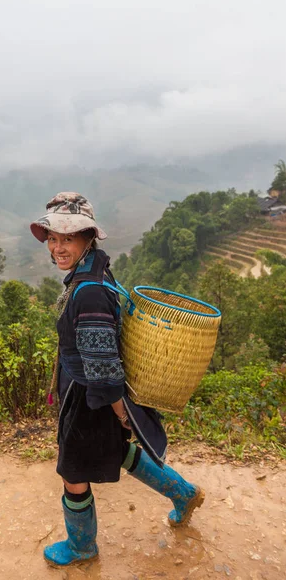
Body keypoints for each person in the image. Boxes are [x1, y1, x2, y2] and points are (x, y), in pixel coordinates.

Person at [30, 192, 205, 568]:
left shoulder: (89, 291)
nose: (58, 246)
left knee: (73, 472)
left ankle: (81, 548)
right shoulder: (93, 270)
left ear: (88, 237)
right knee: (118, 451)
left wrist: (120, 410)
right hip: (93, 393)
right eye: (53, 238)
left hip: (91, 398)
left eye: (68, 237)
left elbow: (104, 365)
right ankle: (183, 493)